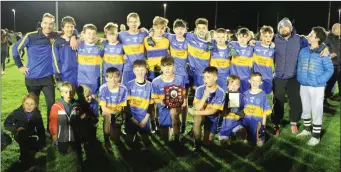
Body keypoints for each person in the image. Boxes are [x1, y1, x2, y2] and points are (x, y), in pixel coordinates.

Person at [12, 13, 77, 132]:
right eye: (46, 23)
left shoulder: (56, 35)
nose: (48, 26)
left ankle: (50, 129)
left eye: (51, 23)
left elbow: (72, 30)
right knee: (32, 106)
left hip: (47, 78)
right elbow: (15, 49)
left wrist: (73, 37)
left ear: (54, 25)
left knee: (51, 105)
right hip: (31, 78)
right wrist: (20, 66)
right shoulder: (30, 36)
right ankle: (35, 129)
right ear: (41, 24)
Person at [270, 18, 329, 136]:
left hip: (294, 76)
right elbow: (260, 41)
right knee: (278, 101)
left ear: (291, 28)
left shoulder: (300, 39)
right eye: (281, 27)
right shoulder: (274, 39)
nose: (283, 29)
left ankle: (293, 123)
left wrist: (324, 47)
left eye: (286, 26)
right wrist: (252, 41)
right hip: (279, 76)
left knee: (296, 101)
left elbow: (315, 42)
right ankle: (276, 124)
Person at [296, 26, 333, 146]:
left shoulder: (324, 52)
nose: (309, 36)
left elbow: (329, 69)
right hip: (304, 84)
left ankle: (316, 136)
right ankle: (307, 130)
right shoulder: (304, 50)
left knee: (317, 110)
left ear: (317, 39)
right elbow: (299, 65)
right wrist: (299, 77)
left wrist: (319, 80)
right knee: (305, 108)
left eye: (311, 35)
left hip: (317, 87)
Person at [4, 93, 45, 168]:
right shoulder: (16, 112)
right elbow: (7, 123)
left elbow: (41, 129)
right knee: (24, 141)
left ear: (36, 105)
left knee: (34, 145)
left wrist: (42, 141)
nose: (29, 106)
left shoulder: (37, 114)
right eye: (27, 103)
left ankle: (29, 154)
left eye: (32, 104)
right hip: (19, 134)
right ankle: (25, 158)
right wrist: (16, 128)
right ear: (23, 104)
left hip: (31, 134)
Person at [189, 66, 225, 153]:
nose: (205, 80)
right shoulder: (200, 89)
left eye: (208, 77)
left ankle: (202, 133)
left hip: (212, 119)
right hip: (201, 115)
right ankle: (197, 143)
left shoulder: (220, 92)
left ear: (215, 78)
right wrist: (204, 97)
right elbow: (197, 107)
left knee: (207, 142)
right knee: (197, 118)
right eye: (204, 77)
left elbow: (213, 111)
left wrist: (195, 112)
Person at [151, 56, 186, 145]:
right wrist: (162, 101)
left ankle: (177, 140)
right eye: (164, 66)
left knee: (174, 113)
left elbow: (183, 95)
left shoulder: (179, 79)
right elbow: (154, 99)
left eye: (169, 66)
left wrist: (183, 101)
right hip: (163, 109)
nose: (167, 69)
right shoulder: (155, 82)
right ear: (161, 67)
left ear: (174, 67)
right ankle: (167, 129)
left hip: (175, 107)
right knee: (165, 139)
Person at [166, 19, 189, 134]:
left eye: (182, 28)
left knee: (184, 100)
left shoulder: (189, 40)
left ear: (185, 29)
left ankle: (184, 123)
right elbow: (154, 32)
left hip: (185, 75)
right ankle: (174, 124)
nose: (180, 31)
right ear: (174, 29)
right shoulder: (170, 38)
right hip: (172, 75)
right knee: (173, 99)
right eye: (177, 28)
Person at [125, 60, 153, 150]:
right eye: (137, 70)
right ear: (133, 71)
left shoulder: (150, 85)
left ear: (146, 70)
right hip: (132, 117)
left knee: (146, 140)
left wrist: (145, 119)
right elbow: (126, 105)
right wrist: (132, 118)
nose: (140, 72)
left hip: (144, 117)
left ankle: (145, 147)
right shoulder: (129, 85)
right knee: (129, 141)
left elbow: (151, 105)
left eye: (142, 70)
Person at [99, 67, 128, 151]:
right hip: (107, 110)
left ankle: (118, 129)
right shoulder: (103, 88)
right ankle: (106, 140)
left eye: (115, 77)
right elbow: (103, 108)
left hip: (118, 111)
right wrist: (114, 113)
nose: (113, 80)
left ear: (119, 77)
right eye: (110, 77)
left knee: (115, 138)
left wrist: (121, 115)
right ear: (106, 78)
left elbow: (123, 106)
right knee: (107, 116)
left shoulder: (123, 89)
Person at [49, 82, 82, 156]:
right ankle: (57, 144)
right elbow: (53, 121)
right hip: (62, 135)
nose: (69, 94)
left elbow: (78, 120)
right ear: (62, 94)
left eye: (71, 92)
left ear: (74, 93)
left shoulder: (76, 105)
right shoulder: (56, 106)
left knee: (75, 151)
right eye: (66, 92)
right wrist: (54, 134)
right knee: (63, 152)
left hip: (74, 133)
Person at [241, 72, 272, 147]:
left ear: (261, 83)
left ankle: (259, 137)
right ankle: (246, 135)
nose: (255, 83)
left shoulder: (263, 95)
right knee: (245, 142)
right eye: (253, 80)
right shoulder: (245, 94)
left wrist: (263, 126)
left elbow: (265, 112)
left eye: (257, 81)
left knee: (260, 144)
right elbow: (241, 109)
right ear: (249, 81)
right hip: (247, 121)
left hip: (258, 121)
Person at [119, 13, 149, 86]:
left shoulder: (144, 33)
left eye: (135, 22)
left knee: (142, 88)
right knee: (126, 88)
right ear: (127, 23)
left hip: (141, 67)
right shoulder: (121, 35)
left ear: (139, 23)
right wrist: (122, 54)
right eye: (131, 22)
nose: (133, 24)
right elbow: (112, 41)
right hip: (128, 67)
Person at [218, 75, 247, 147]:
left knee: (242, 134)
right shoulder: (223, 96)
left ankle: (236, 136)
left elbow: (245, 110)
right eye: (231, 84)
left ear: (239, 85)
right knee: (225, 145)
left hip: (236, 123)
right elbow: (219, 111)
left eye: (236, 84)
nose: (234, 86)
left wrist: (242, 113)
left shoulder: (241, 96)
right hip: (225, 125)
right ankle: (226, 137)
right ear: (227, 85)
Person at [77, 24, 103, 98]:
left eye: (93, 34)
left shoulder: (99, 48)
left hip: (94, 82)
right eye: (89, 33)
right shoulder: (78, 46)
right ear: (83, 34)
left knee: (94, 105)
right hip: (82, 82)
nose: (91, 36)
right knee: (82, 105)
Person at [186, 18, 211, 89]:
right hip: (189, 72)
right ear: (195, 29)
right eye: (199, 28)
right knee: (185, 93)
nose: (201, 30)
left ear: (207, 30)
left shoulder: (212, 42)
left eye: (203, 28)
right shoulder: (189, 37)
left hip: (201, 74)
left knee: (198, 93)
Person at [54, 16, 78, 88]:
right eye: (67, 27)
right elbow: (55, 60)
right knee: (67, 98)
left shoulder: (78, 40)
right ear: (63, 28)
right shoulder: (57, 43)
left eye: (72, 26)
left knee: (81, 98)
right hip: (64, 76)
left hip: (78, 75)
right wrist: (58, 76)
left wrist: (74, 36)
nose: (70, 29)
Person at [144, 16, 170, 81]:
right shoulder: (146, 39)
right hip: (151, 72)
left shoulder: (167, 40)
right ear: (153, 27)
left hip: (163, 72)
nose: (160, 30)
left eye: (162, 28)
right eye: (157, 28)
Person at [229, 27, 254, 94]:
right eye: (240, 37)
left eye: (245, 37)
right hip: (234, 78)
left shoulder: (252, 47)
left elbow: (262, 44)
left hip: (246, 78)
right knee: (234, 100)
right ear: (237, 37)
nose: (242, 39)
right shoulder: (233, 44)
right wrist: (231, 48)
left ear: (249, 38)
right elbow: (223, 42)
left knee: (245, 97)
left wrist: (272, 44)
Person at [252, 26, 275, 94]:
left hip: (268, 78)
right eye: (265, 36)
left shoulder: (273, 49)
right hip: (257, 78)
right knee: (257, 96)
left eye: (270, 36)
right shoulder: (255, 46)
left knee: (265, 96)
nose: (268, 38)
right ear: (261, 36)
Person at [210, 28, 231, 92]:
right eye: (218, 37)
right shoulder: (211, 47)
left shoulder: (230, 48)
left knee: (223, 96)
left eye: (223, 37)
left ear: (226, 38)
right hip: (213, 76)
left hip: (225, 77)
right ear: (215, 37)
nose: (220, 39)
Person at [324, 23, 341, 103]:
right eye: (339, 29)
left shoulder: (338, 39)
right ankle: (323, 101)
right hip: (330, 65)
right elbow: (323, 50)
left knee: (330, 86)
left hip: (337, 66)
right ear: (335, 29)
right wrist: (330, 55)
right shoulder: (328, 38)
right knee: (327, 84)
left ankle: (326, 100)